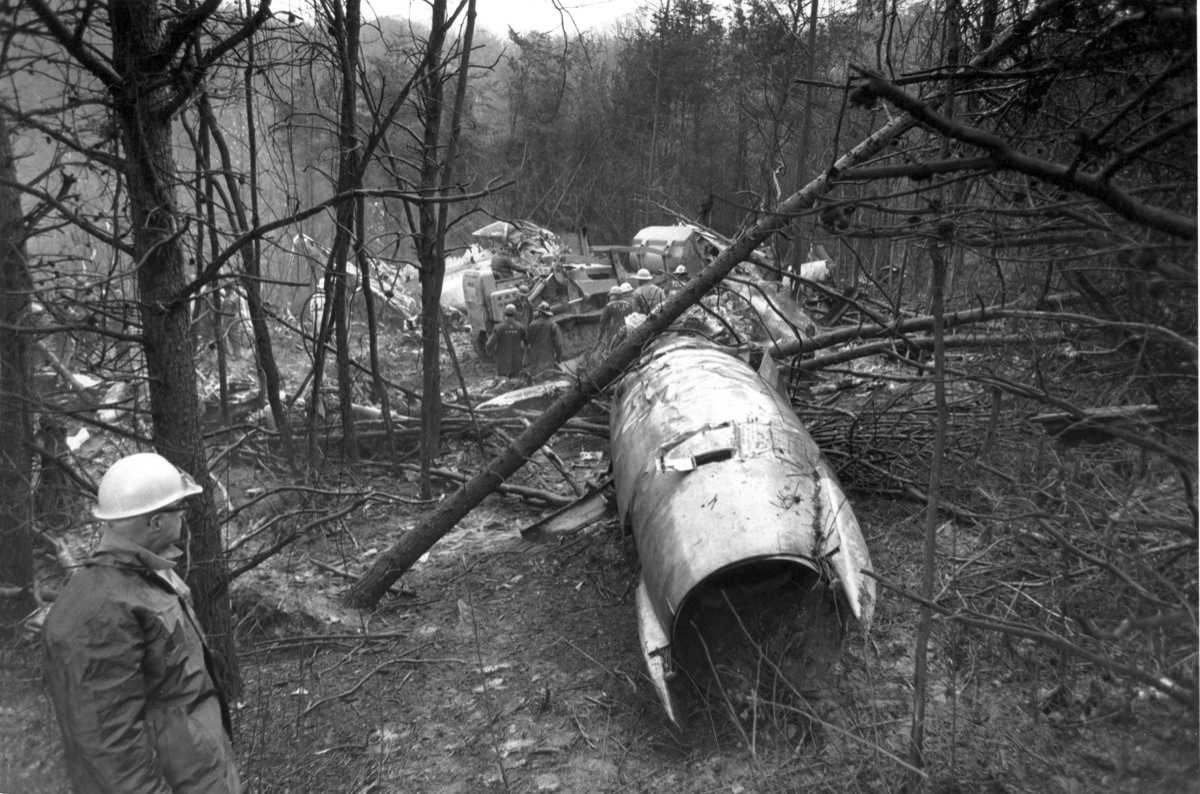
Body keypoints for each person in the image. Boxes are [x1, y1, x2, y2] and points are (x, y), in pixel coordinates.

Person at [43, 452, 242, 794]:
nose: (184, 520)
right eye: (179, 512)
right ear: (156, 523)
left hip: (200, 774)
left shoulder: (147, 577)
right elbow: (109, 746)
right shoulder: (100, 610)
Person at [524, 300, 565, 379]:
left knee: (536, 382)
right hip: (548, 362)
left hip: (535, 363)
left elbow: (527, 342)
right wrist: (559, 357)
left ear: (540, 313)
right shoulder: (553, 325)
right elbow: (558, 344)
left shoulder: (532, 325)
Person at [485, 303, 526, 378]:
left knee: (504, 386)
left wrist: (492, 354)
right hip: (517, 364)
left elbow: (489, 345)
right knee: (516, 384)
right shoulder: (520, 327)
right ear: (515, 314)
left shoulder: (498, 328)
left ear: (504, 314)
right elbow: (527, 342)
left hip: (502, 365)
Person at [597, 284, 634, 353]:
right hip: (627, 331)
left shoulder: (609, 306)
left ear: (613, 295)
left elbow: (603, 323)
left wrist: (600, 337)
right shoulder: (628, 305)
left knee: (610, 352)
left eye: (611, 295)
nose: (610, 297)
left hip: (613, 333)